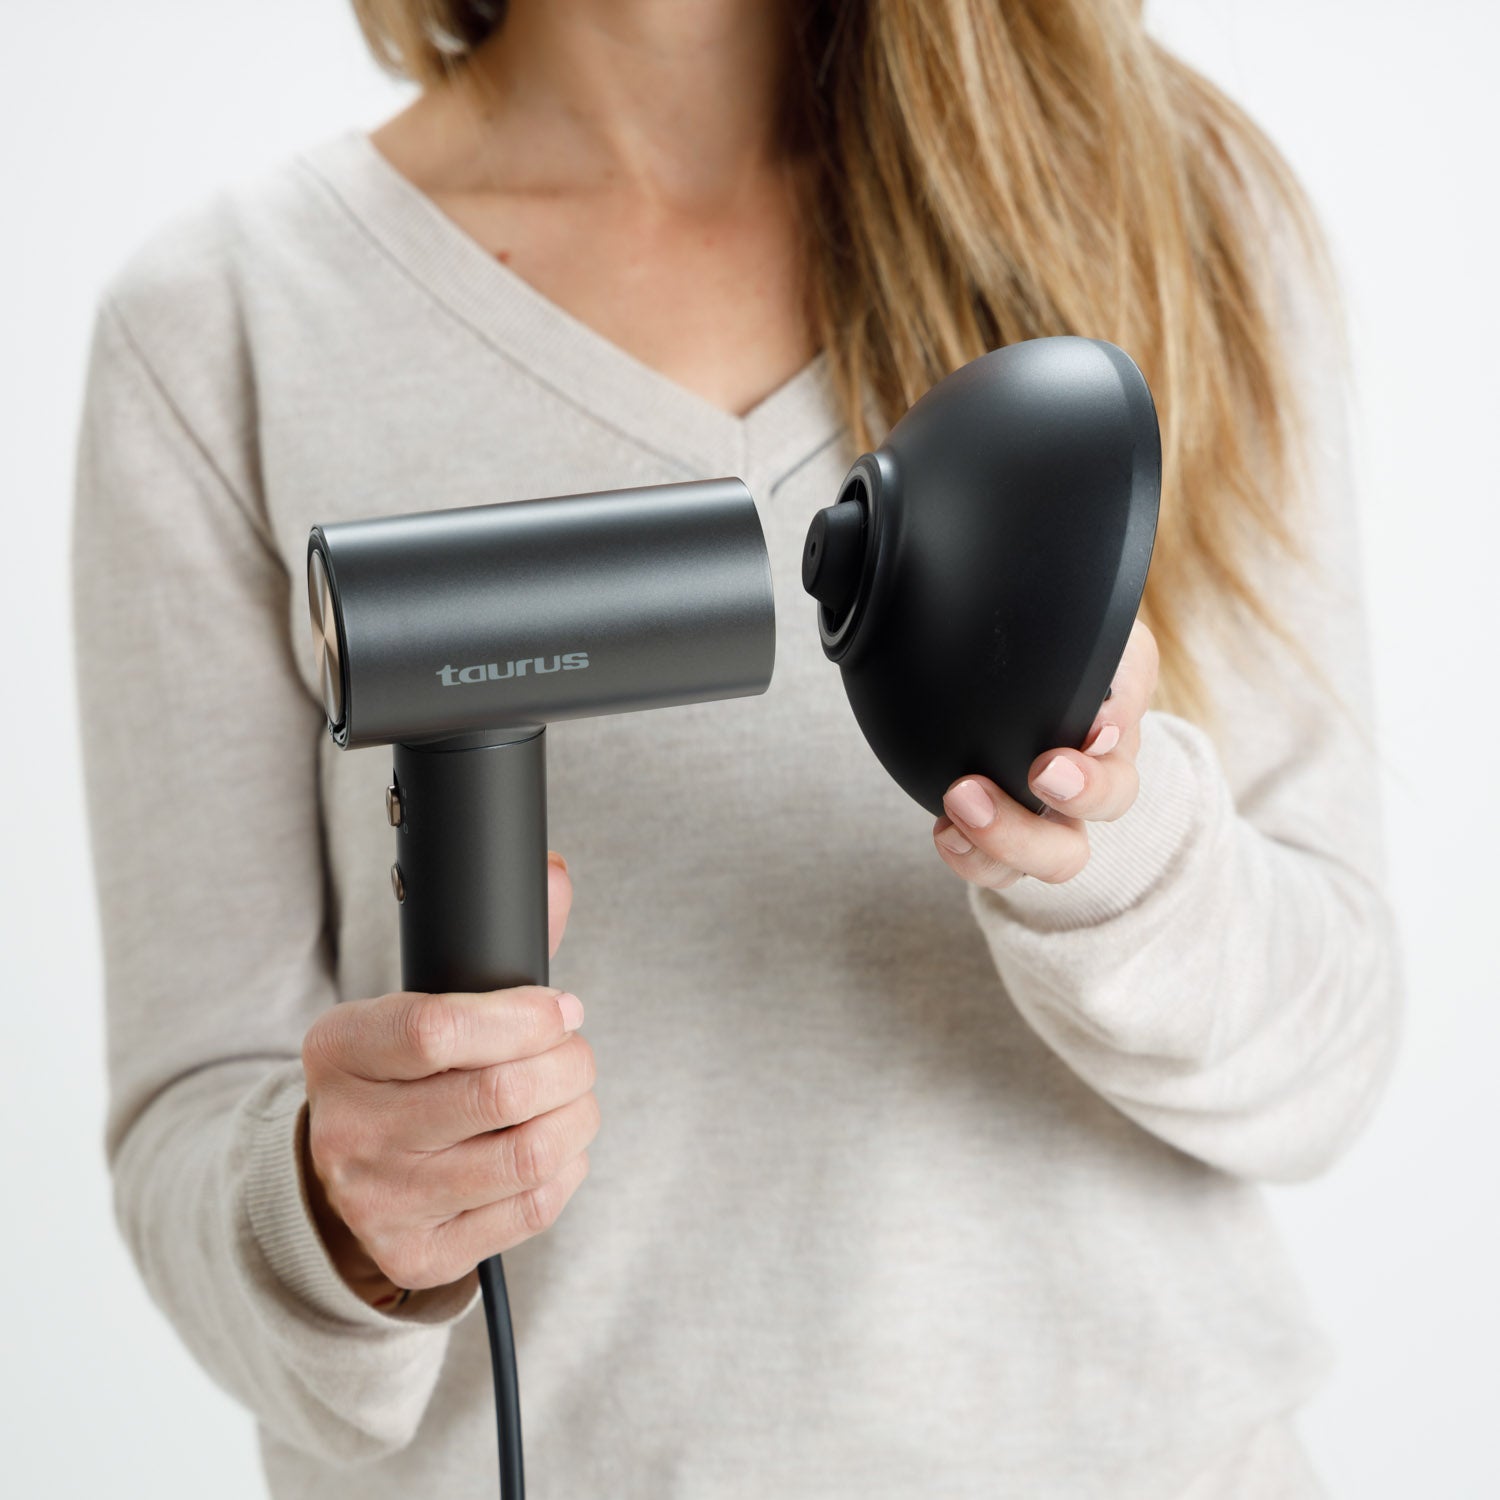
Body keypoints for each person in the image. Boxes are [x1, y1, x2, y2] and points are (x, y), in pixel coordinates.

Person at [70, 1, 1401, 1496]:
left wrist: (1116, 857)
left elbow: (1333, 1050)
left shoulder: (1161, 202)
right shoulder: (226, 323)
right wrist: (340, 1210)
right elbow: (192, 1121)